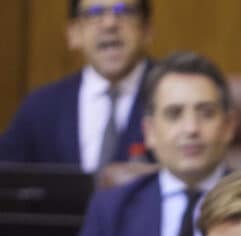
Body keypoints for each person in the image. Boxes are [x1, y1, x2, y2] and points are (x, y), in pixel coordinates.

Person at [59, 51, 237, 236]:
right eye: (174, 114)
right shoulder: (112, 209)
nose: (191, 129)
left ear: (228, 126)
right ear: (150, 131)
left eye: (205, 113)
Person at [0, 0, 153, 170]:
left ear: (146, 30)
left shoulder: (175, 96)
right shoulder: (41, 107)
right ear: (74, 34)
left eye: (124, 11)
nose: (110, 23)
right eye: (94, 13)